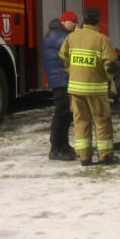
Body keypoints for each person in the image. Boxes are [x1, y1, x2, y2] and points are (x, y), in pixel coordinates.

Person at [59, 7, 120, 166]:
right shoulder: (102, 40)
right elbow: (112, 66)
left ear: (83, 19)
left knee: (80, 122)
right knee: (102, 122)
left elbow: (61, 61)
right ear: (98, 20)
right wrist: (105, 78)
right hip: (97, 90)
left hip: (76, 90)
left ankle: (84, 157)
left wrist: (72, 71)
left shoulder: (71, 38)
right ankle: (105, 156)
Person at [43, 11, 78, 160]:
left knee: (66, 114)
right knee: (61, 114)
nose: (75, 26)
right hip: (60, 81)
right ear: (64, 21)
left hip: (63, 80)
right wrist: (78, 35)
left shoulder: (58, 33)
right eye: (73, 23)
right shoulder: (55, 35)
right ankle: (56, 148)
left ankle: (63, 145)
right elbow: (71, 44)